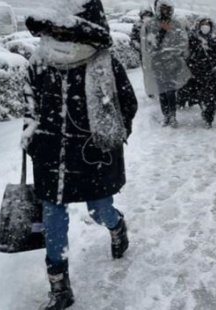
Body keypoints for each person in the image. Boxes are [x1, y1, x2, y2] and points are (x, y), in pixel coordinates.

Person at [23, 0, 138, 309]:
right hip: (50, 156)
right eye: (54, 26)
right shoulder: (39, 61)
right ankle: (59, 287)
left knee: (99, 210)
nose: (59, 32)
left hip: (92, 156)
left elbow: (127, 105)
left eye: (66, 26)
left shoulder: (103, 63)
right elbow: (30, 105)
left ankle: (116, 226)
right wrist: (31, 136)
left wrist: (109, 134)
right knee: (53, 218)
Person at [141, 0, 191, 127]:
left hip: (173, 63)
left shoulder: (176, 24)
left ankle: (173, 116)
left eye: (168, 9)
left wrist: (171, 52)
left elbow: (183, 42)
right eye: (163, 8)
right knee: (162, 91)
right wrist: (160, 37)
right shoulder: (151, 24)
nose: (166, 11)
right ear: (158, 9)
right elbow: (148, 44)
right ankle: (166, 115)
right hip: (157, 63)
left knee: (170, 90)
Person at [187, 18, 216, 128]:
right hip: (197, 72)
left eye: (207, 24)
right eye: (203, 24)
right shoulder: (193, 38)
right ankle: (204, 110)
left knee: (210, 97)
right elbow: (188, 54)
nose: (205, 26)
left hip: (211, 73)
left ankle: (208, 117)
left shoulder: (215, 39)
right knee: (200, 95)